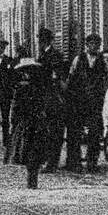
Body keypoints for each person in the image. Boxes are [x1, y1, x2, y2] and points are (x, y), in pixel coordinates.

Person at [66, 33, 108, 173]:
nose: (94, 47)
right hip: (79, 101)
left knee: (95, 132)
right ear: (87, 45)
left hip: (96, 102)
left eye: (97, 44)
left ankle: (92, 162)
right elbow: (71, 79)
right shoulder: (78, 59)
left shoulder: (103, 62)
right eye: (91, 44)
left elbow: (106, 80)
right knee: (75, 132)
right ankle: (74, 162)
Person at [7, 54, 50, 187]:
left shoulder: (21, 88)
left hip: (28, 122)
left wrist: (13, 123)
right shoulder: (40, 87)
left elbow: (15, 107)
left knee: (29, 150)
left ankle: (32, 178)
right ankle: (32, 177)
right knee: (34, 150)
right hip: (35, 122)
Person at [36, 28, 69, 172]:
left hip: (53, 97)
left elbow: (57, 75)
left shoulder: (53, 55)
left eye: (42, 40)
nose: (40, 42)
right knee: (48, 131)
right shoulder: (44, 54)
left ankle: (52, 163)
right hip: (47, 95)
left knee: (53, 131)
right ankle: (50, 161)